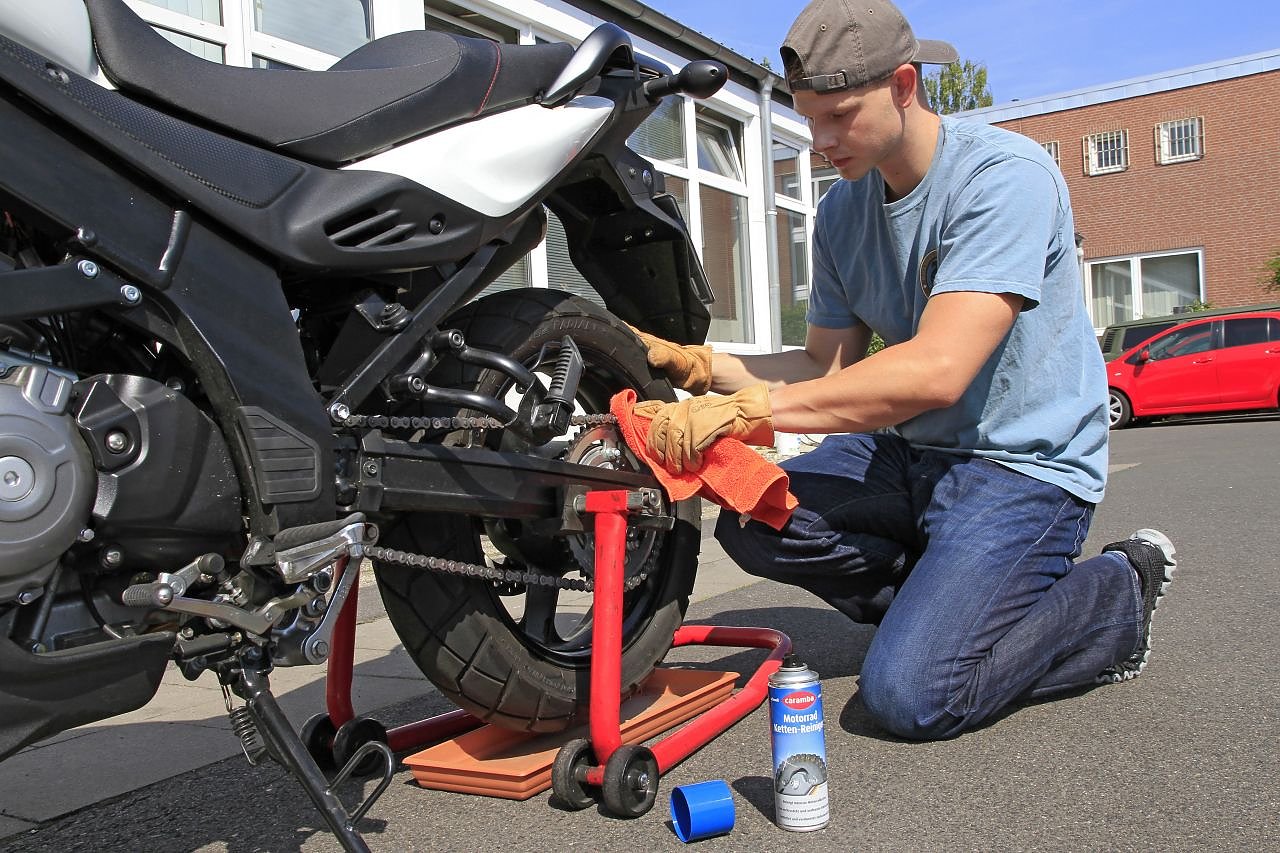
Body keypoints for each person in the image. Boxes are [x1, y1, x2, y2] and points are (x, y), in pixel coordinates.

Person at [630, 0, 1177, 741]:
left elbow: (937, 371)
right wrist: (695, 365)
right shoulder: (841, 213)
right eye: (809, 119)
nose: (820, 142)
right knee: (754, 516)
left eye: (839, 116)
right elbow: (823, 364)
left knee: (911, 696)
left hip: (1020, 467)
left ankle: (1115, 595)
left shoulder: (1004, 178)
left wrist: (748, 411)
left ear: (904, 85)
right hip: (905, 451)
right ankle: (945, 608)